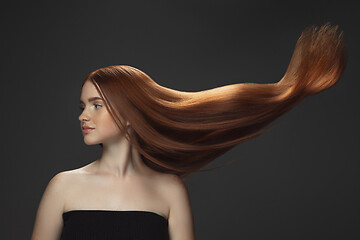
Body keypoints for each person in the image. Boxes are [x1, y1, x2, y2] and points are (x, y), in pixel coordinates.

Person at [30, 22, 347, 240]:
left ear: (129, 115)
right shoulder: (62, 187)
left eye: (96, 105)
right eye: (83, 105)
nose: (83, 115)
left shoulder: (169, 191)